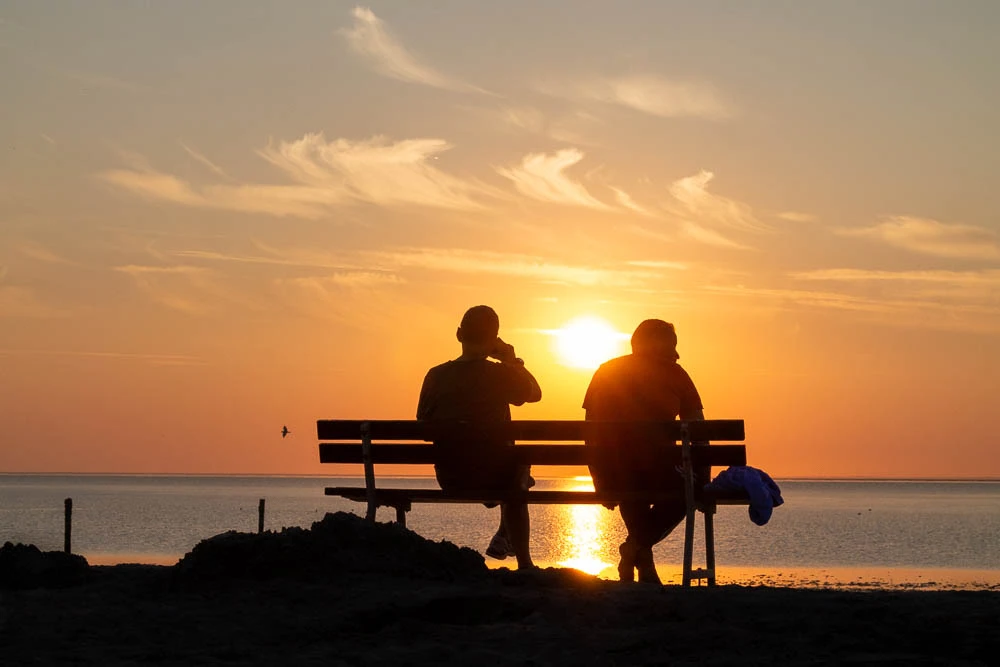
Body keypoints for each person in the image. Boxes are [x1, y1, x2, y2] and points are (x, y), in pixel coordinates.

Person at [416, 305, 542, 570]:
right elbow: (535, 393)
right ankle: (524, 562)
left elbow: (423, 423)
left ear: (459, 334)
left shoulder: (436, 375)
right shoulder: (500, 374)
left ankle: (504, 532)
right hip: (497, 477)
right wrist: (512, 360)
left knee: (515, 469)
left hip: (451, 477)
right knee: (520, 467)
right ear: (494, 340)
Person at [582, 319, 705, 584]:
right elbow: (699, 428)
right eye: (671, 345)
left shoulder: (607, 371)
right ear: (658, 345)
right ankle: (637, 549)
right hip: (658, 471)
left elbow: (589, 432)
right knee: (687, 490)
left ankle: (638, 551)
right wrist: (703, 474)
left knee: (630, 478)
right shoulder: (675, 374)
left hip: (616, 471)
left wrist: (598, 477)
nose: (676, 352)